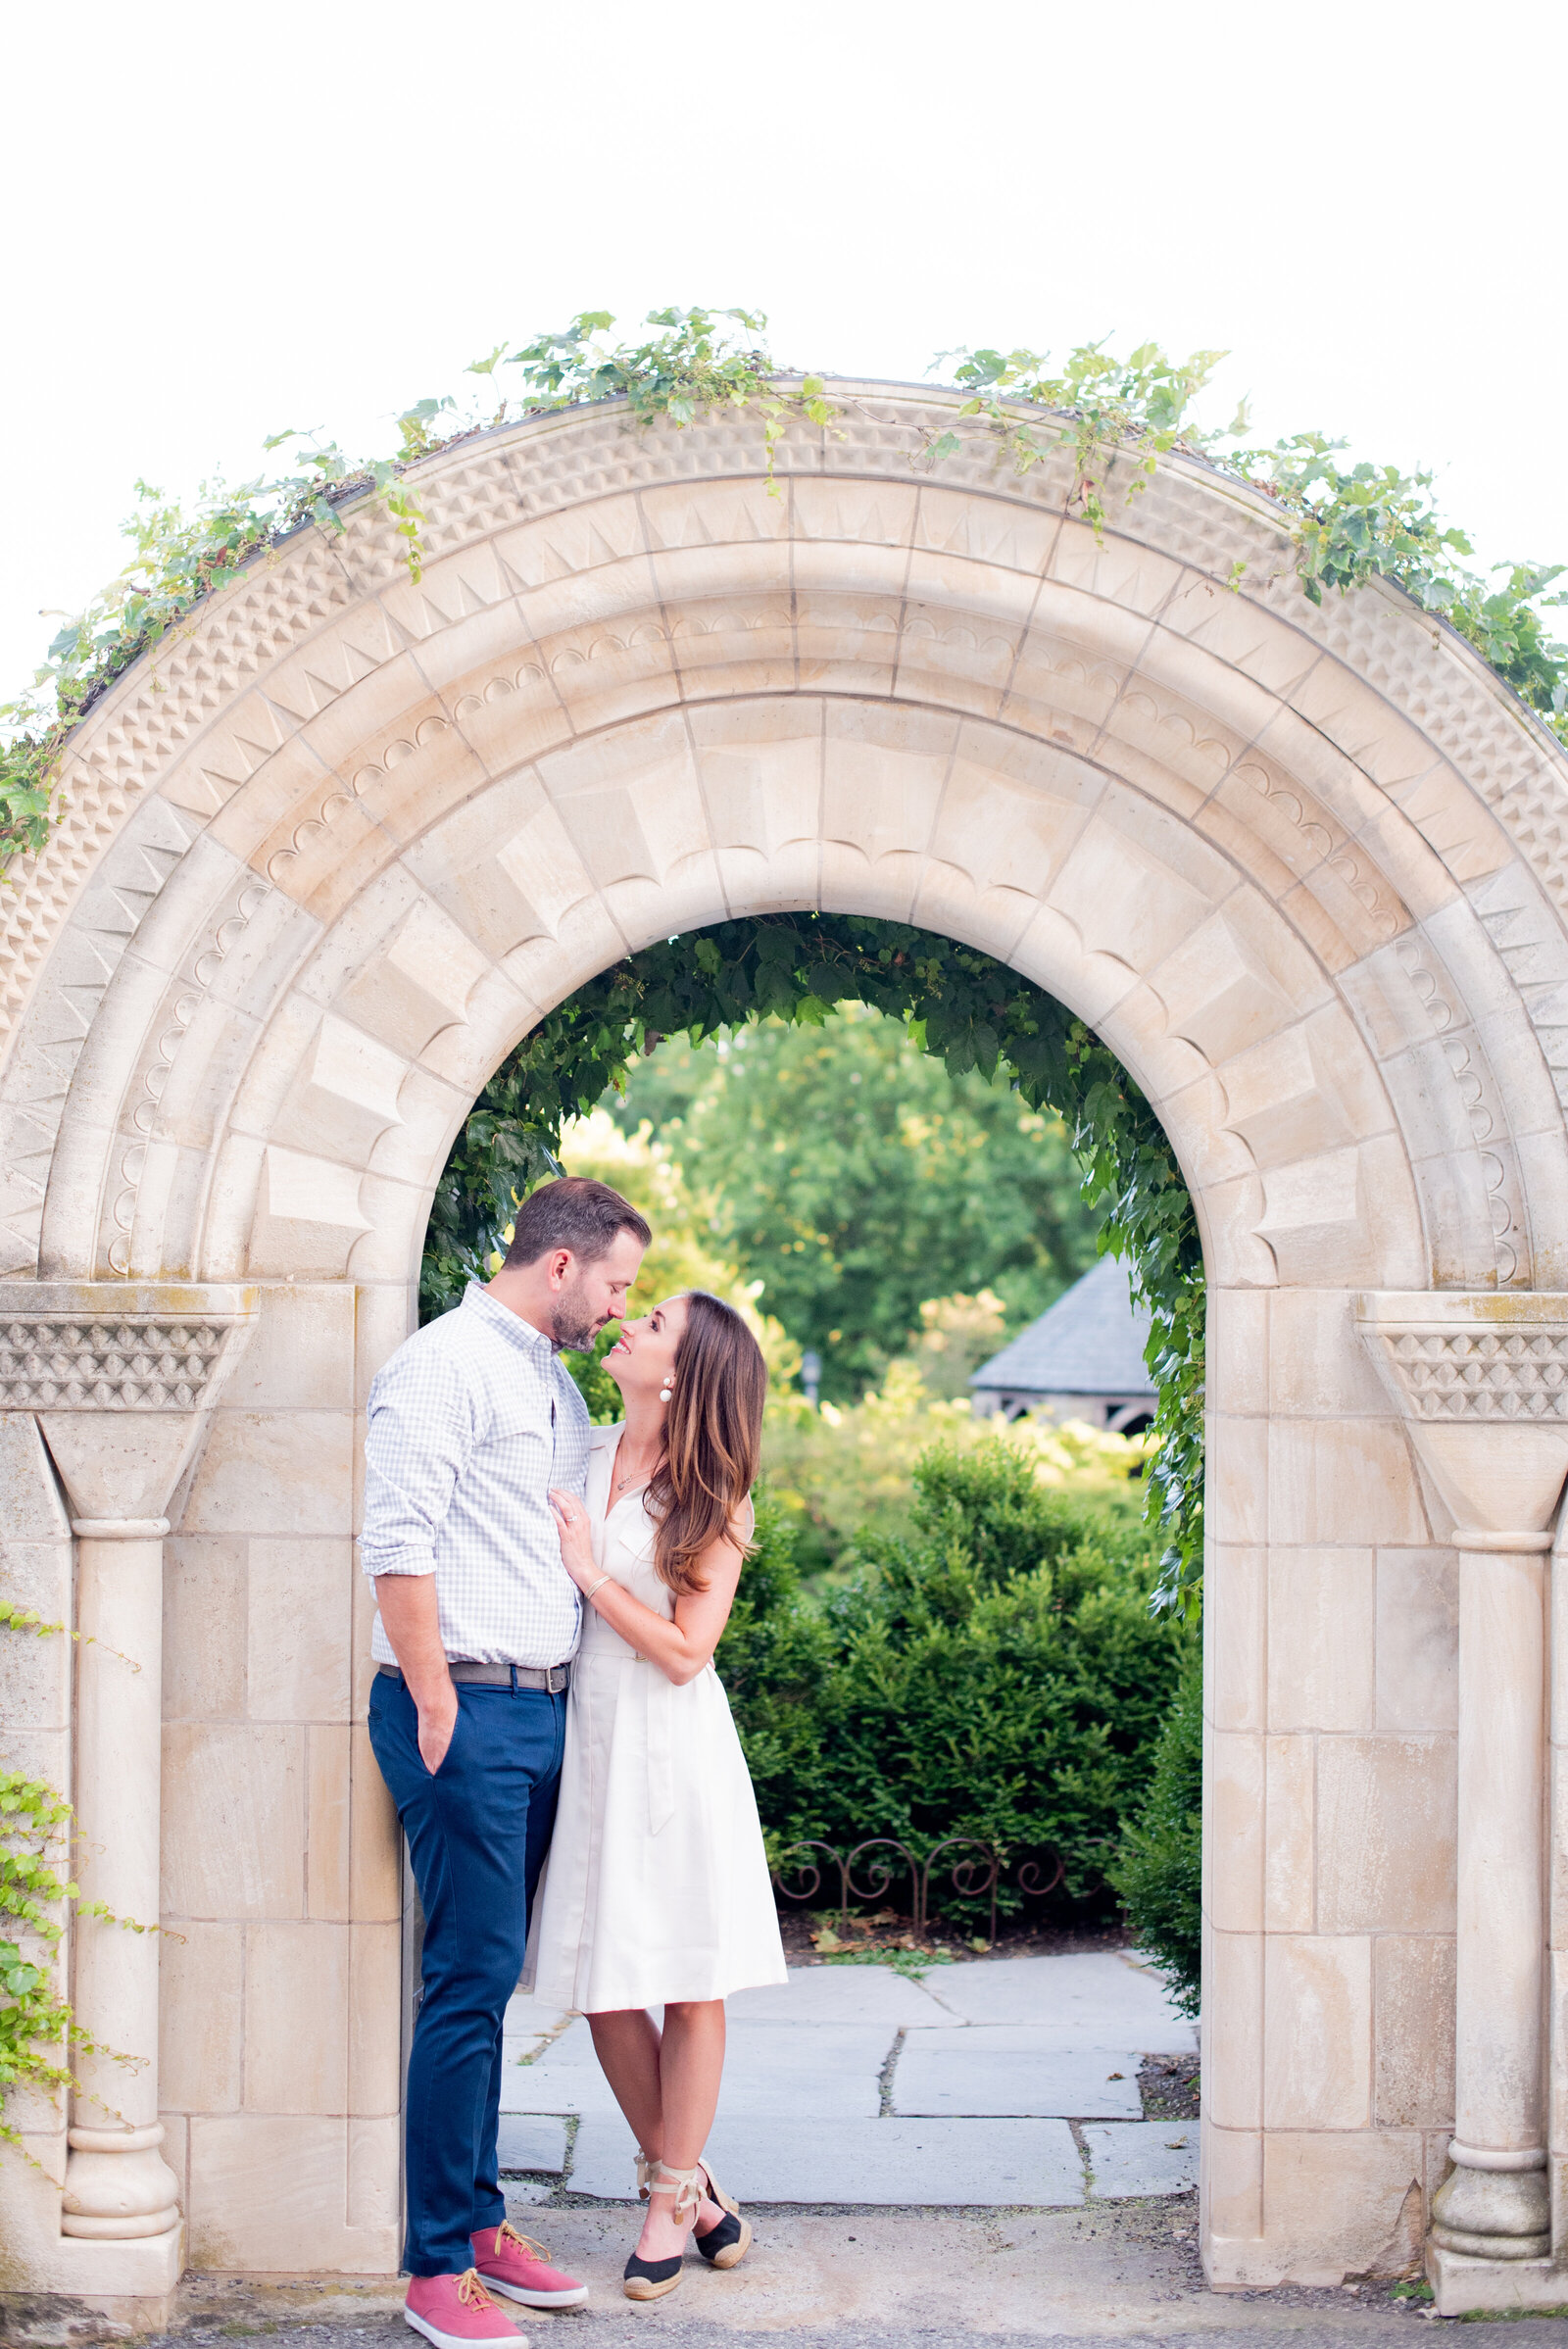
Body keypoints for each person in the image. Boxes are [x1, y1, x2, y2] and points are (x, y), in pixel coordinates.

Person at [362, 1177, 653, 2349]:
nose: (620, 1307)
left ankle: (480, 2227)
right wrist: (434, 1695)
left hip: (536, 1712)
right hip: (464, 1707)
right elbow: (397, 1536)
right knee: (468, 1980)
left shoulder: (544, 1371)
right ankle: (438, 2268)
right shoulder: (445, 1364)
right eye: (619, 1284)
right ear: (563, 1265)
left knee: (490, 1979)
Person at [530, 1287, 788, 2302]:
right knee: (600, 1987)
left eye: (652, 1326)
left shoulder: (712, 1495)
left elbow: (688, 1653)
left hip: (671, 1749)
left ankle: (664, 2197)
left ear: (679, 1373)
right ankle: (699, 2195)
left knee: (686, 1977)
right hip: (587, 1736)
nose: (627, 1326)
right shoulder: (581, 1452)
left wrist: (593, 1576)